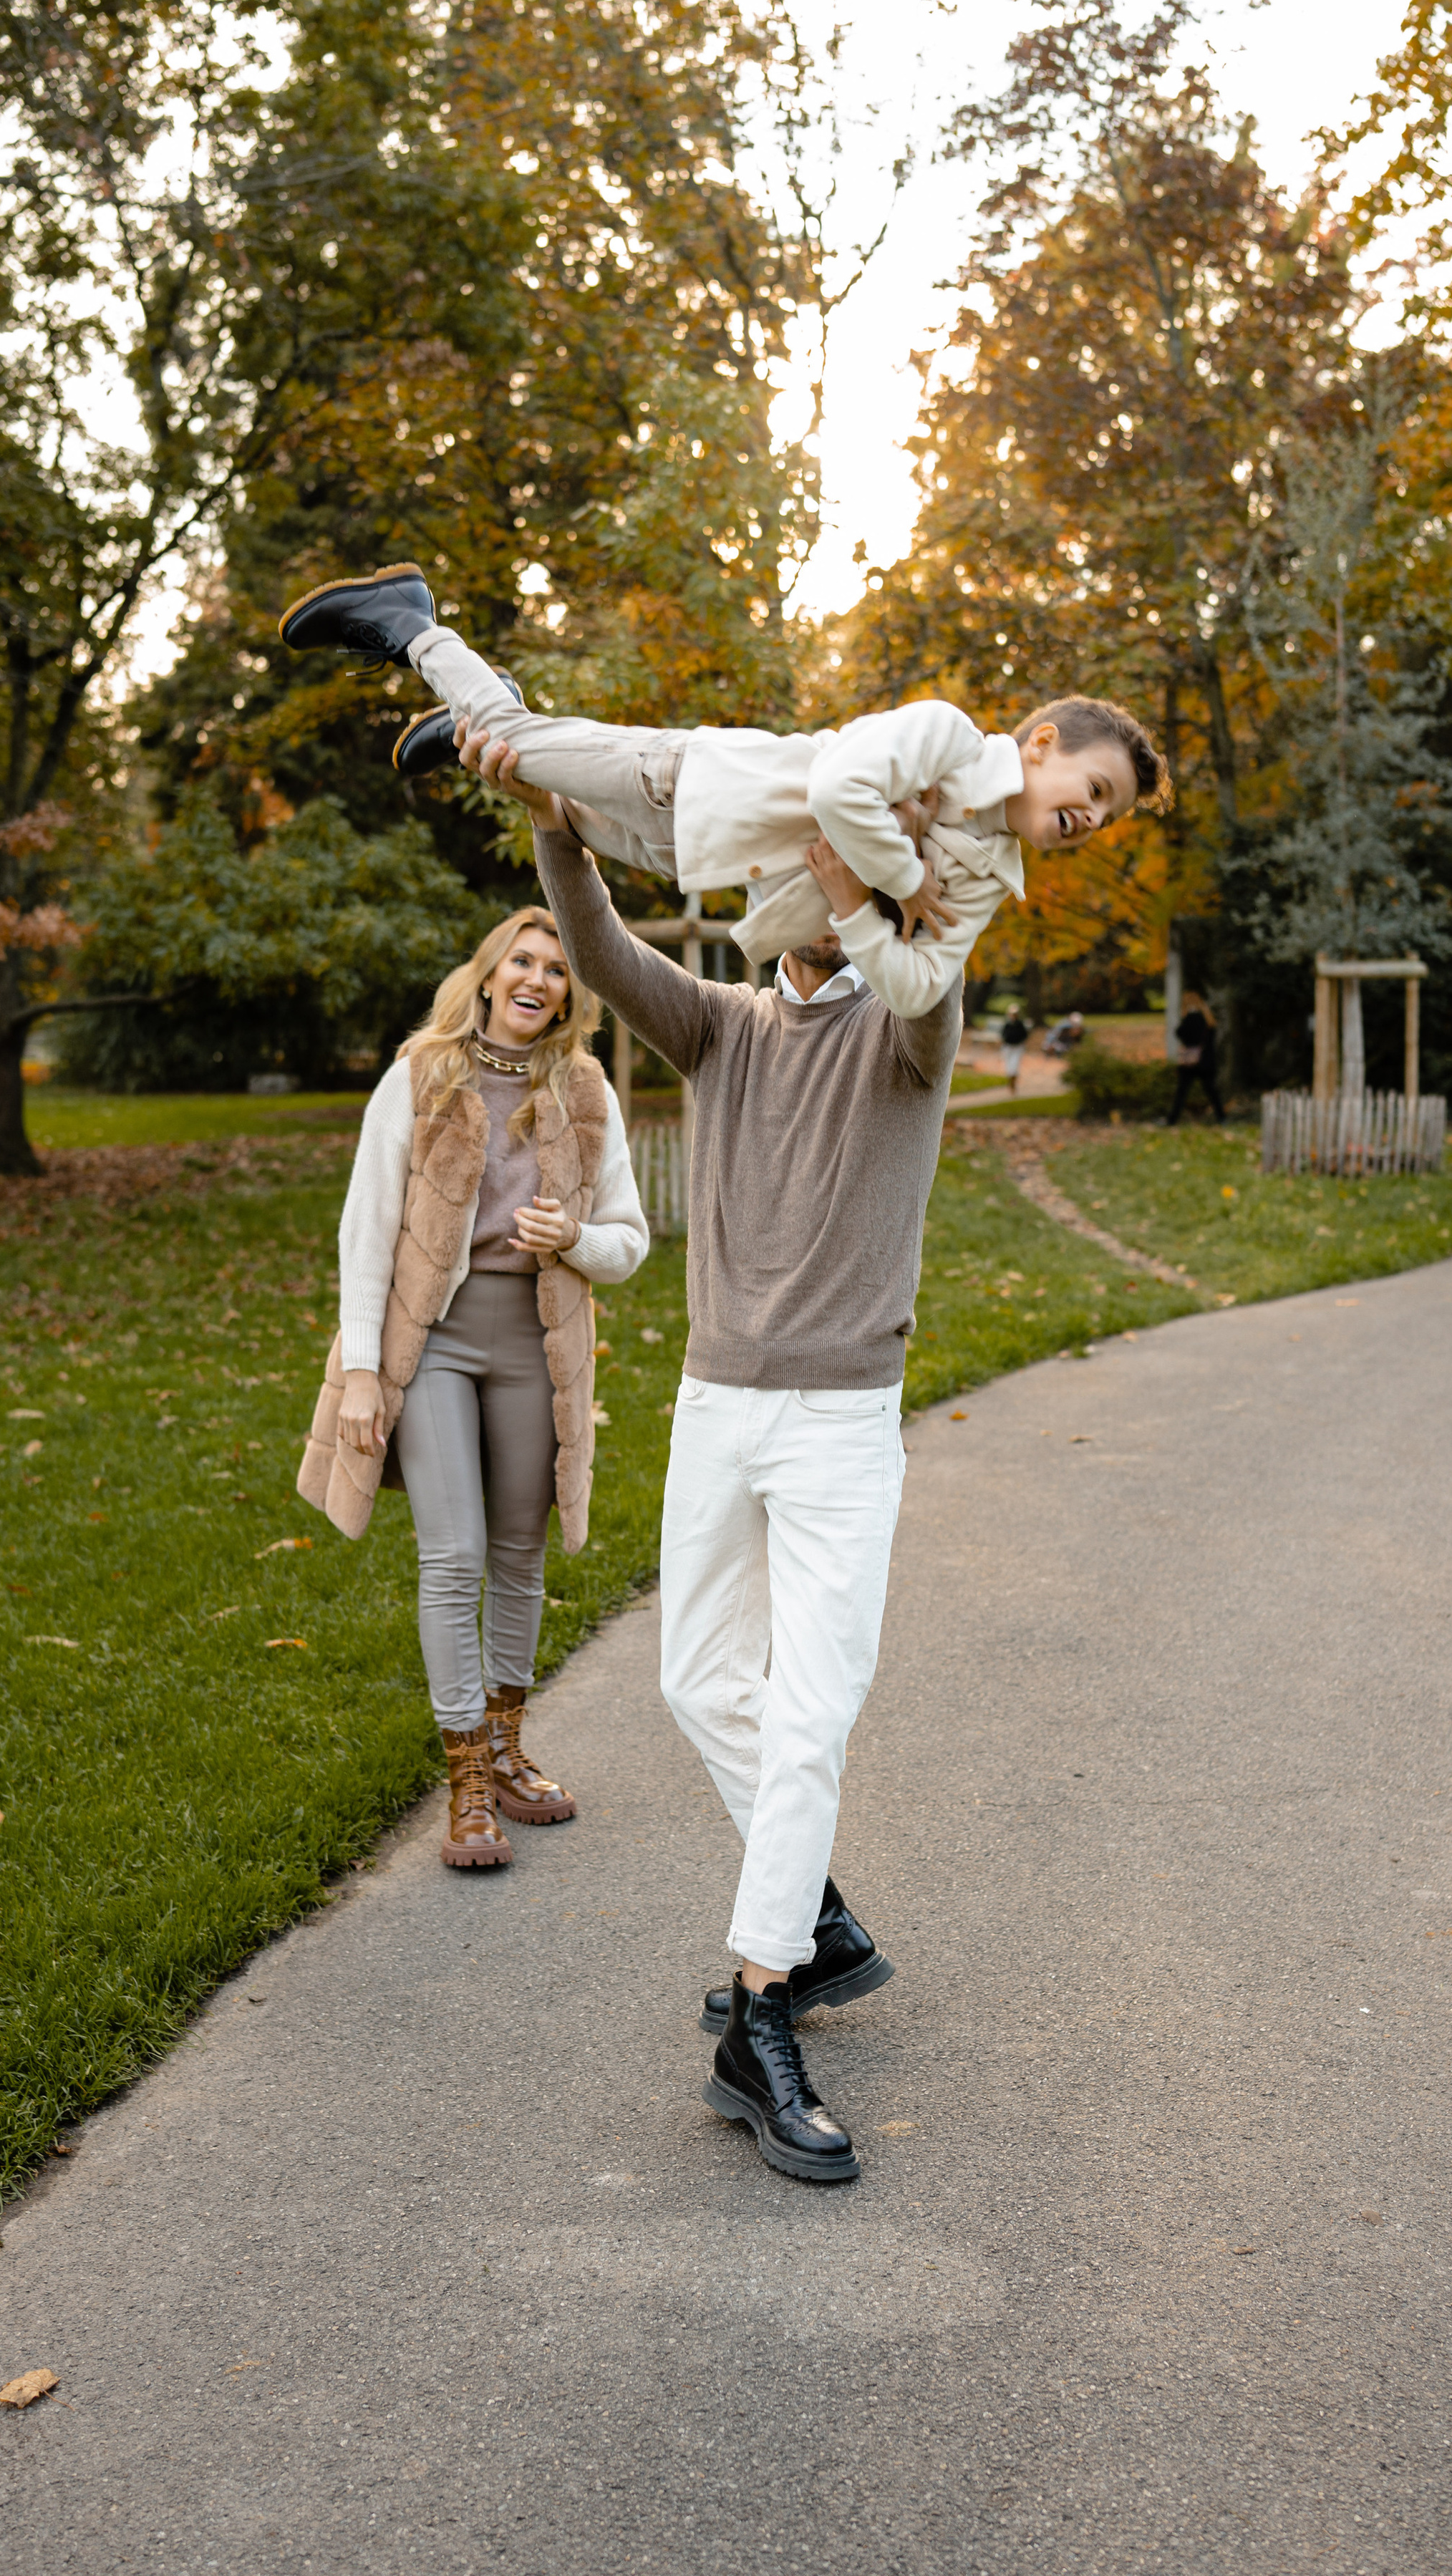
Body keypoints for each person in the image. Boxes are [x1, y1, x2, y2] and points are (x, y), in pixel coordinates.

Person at [473, 735, 959, 2187]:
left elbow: (922, 975)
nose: (775, 881)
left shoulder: (904, 1022)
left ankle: (760, 2011)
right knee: (695, 1680)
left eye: (802, 867)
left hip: (838, 1423)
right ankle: (815, 1917)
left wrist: (858, 866)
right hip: (714, 1404)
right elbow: (603, 944)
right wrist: (558, 823)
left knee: (806, 1714)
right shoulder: (723, 1025)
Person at [275, 564, 1168, 1019]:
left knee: (523, 774)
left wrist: (863, 910)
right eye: (1093, 787)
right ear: (1040, 744)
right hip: (699, 778)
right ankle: (413, 623)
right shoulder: (943, 736)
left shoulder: (983, 881)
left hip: (696, 857)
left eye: (1107, 815)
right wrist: (901, 883)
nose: (1091, 816)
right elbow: (841, 786)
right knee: (516, 747)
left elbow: (916, 987)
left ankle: (491, 710)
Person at [296, 909, 649, 1869]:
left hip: (535, 1344)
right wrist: (365, 1370)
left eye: (556, 970)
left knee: (519, 1556)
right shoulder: (420, 1075)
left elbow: (630, 1238)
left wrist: (570, 1240)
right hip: (438, 1343)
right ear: (489, 976)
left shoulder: (582, 1089)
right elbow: (365, 1229)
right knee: (451, 1557)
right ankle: (464, 1783)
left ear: (570, 995)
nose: (538, 979)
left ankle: (505, 1749)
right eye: (521, 962)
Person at [1167, 990, 1226, 1125]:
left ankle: (1172, 1120)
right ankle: (1222, 1118)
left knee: (1181, 1093)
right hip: (1206, 1062)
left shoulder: (1190, 1019)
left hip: (1190, 1063)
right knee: (1212, 1092)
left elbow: (1180, 1033)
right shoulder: (1208, 1020)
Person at [998, 1008, 1030, 1095]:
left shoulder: (1020, 1025)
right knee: (1008, 1065)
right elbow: (1003, 1035)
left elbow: (1025, 1036)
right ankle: (1010, 1082)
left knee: (1014, 1065)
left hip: (1017, 1048)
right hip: (1008, 1047)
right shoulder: (1008, 1024)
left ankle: (1013, 1082)